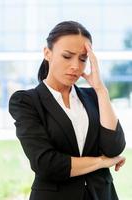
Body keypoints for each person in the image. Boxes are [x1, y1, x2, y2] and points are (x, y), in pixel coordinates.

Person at [9, 21, 126, 200]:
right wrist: (101, 162)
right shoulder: (26, 101)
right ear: (47, 53)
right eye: (67, 56)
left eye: (82, 59)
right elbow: (46, 164)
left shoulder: (94, 97)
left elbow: (114, 147)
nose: (76, 66)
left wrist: (101, 90)